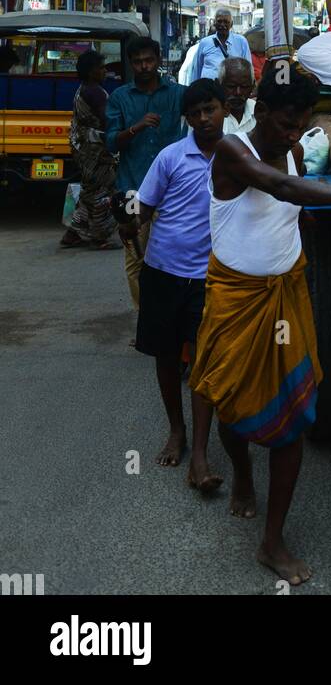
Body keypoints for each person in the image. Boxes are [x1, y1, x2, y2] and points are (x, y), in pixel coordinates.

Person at [189, 64, 331, 585]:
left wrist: (313, 218)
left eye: (301, 122)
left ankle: (273, 539)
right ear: (261, 111)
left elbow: (290, 205)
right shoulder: (233, 151)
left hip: (288, 293)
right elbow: (281, 188)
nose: (292, 133)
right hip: (236, 297)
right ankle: (241, 475)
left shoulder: (298, 150)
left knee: (294, 418)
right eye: (286, 123)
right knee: (232, 407)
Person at [121, 79, 226, 487]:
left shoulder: (237, 157)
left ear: (222, 110)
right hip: (163, 272)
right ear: (187, 117)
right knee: (166, 357)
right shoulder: (170, 157)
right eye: (196, 113)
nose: (204, 118)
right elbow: (142, 209)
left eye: (211, 109)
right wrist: (128, 225)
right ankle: (176, 431)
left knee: (203, 361)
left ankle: (199, 453)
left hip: (210, 277)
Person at [105, 38, 186, 309]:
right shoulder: (120, 98)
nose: (144, 66)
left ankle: (169, 318)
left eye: (149, 60)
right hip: (131, 189)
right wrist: (136, 128)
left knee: (174, 257)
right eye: (138, 61)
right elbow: (111, 142)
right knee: (135, 259)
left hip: (172, 191)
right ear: (131, 63)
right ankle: (145, 321)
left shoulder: (177, 94)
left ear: (158, 59)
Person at [62, 50, 117, 249]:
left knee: (90, 188)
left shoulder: (84, 89)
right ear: (91, 71)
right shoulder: (95, 92)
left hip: (82, 147)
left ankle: (73, 231)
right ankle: (100, 236)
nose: (105, 71)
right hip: (94, 150)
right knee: (104, 188)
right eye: (101, 68)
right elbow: (108, 119)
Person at [189, 9, 252, 81]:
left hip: (233, 89)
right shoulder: (204, 42)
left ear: (231, 24)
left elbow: (248, 67)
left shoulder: (241, 41)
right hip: (208, 90)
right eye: (219, 21)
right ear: (214, 23)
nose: (222, 24)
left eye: (226, 22)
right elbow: (197, 69)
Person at [218, 56, 256, 135]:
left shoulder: (258, 111)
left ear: (252, 86)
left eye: (244, 87)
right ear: (219, 84)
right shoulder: (211, 115)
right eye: (231, 86)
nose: (238, 92)